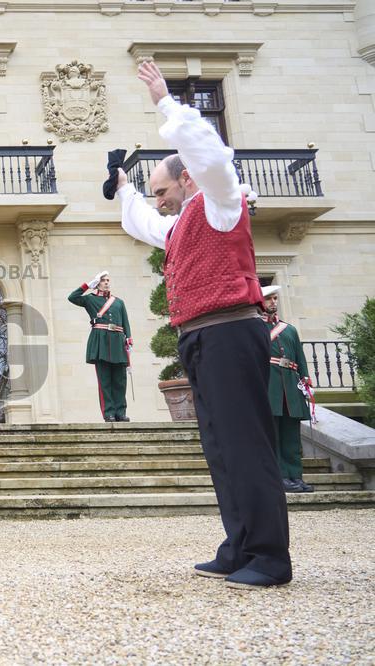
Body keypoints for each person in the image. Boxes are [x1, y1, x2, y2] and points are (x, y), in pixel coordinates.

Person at [115, 61, 292, 590]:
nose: (158, 198)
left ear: (187, 176)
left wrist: (166, 103)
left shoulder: (219, 201)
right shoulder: (179, 223)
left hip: (231, 332)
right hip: (199, 337)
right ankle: (238, 546)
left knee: (244, 443)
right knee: (219, 446)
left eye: (161, 188)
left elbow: (212, 157)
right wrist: (123, 188)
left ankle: (269, 556)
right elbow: (143, 223)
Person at [262, 285, 315, 494]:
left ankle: (295, 476)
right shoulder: (256, 328)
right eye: (268, 299)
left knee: (291, 436)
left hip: (290, 389)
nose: (273, 302)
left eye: (275, 298)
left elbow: (300, 358)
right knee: (273, 435)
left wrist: (305, 381)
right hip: (270, 386)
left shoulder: (290, 329)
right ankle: (280, 477)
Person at [68, 271, 133, 422]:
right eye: (103, 280)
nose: (106, 283)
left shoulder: (118, 302)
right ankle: (109, 413)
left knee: (120, 380)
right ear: (97, 283)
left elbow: (125, 322)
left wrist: (129, 339)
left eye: (108, 280)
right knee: (105, 381)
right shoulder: (90, 299)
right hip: (100, 342)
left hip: (117, 342)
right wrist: (87, 285)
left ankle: (120, 412)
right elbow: (72, 297)